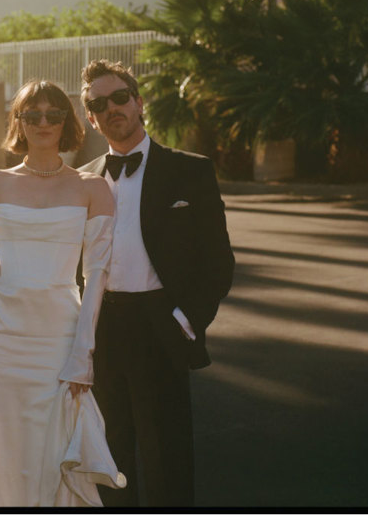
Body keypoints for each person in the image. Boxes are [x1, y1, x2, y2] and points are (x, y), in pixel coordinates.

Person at [0, 79, 126, 507]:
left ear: (67, 122)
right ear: (19, 122)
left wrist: (82, 354)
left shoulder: (93, 188)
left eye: (54, 114)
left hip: (58, 339)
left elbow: (96, 276)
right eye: (32, 115)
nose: (43, 123)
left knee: (53, 456)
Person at [79, 59, 234, 507]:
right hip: (101, 327)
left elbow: (217, 262)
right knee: (110, 456)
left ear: (139, 102)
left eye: (120, 97)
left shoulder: (191, 171)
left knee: (168, 458)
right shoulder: (82, 181)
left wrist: (187, 319)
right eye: (98, 104)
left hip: (161, 324)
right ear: (91, 117)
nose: (112, 109)